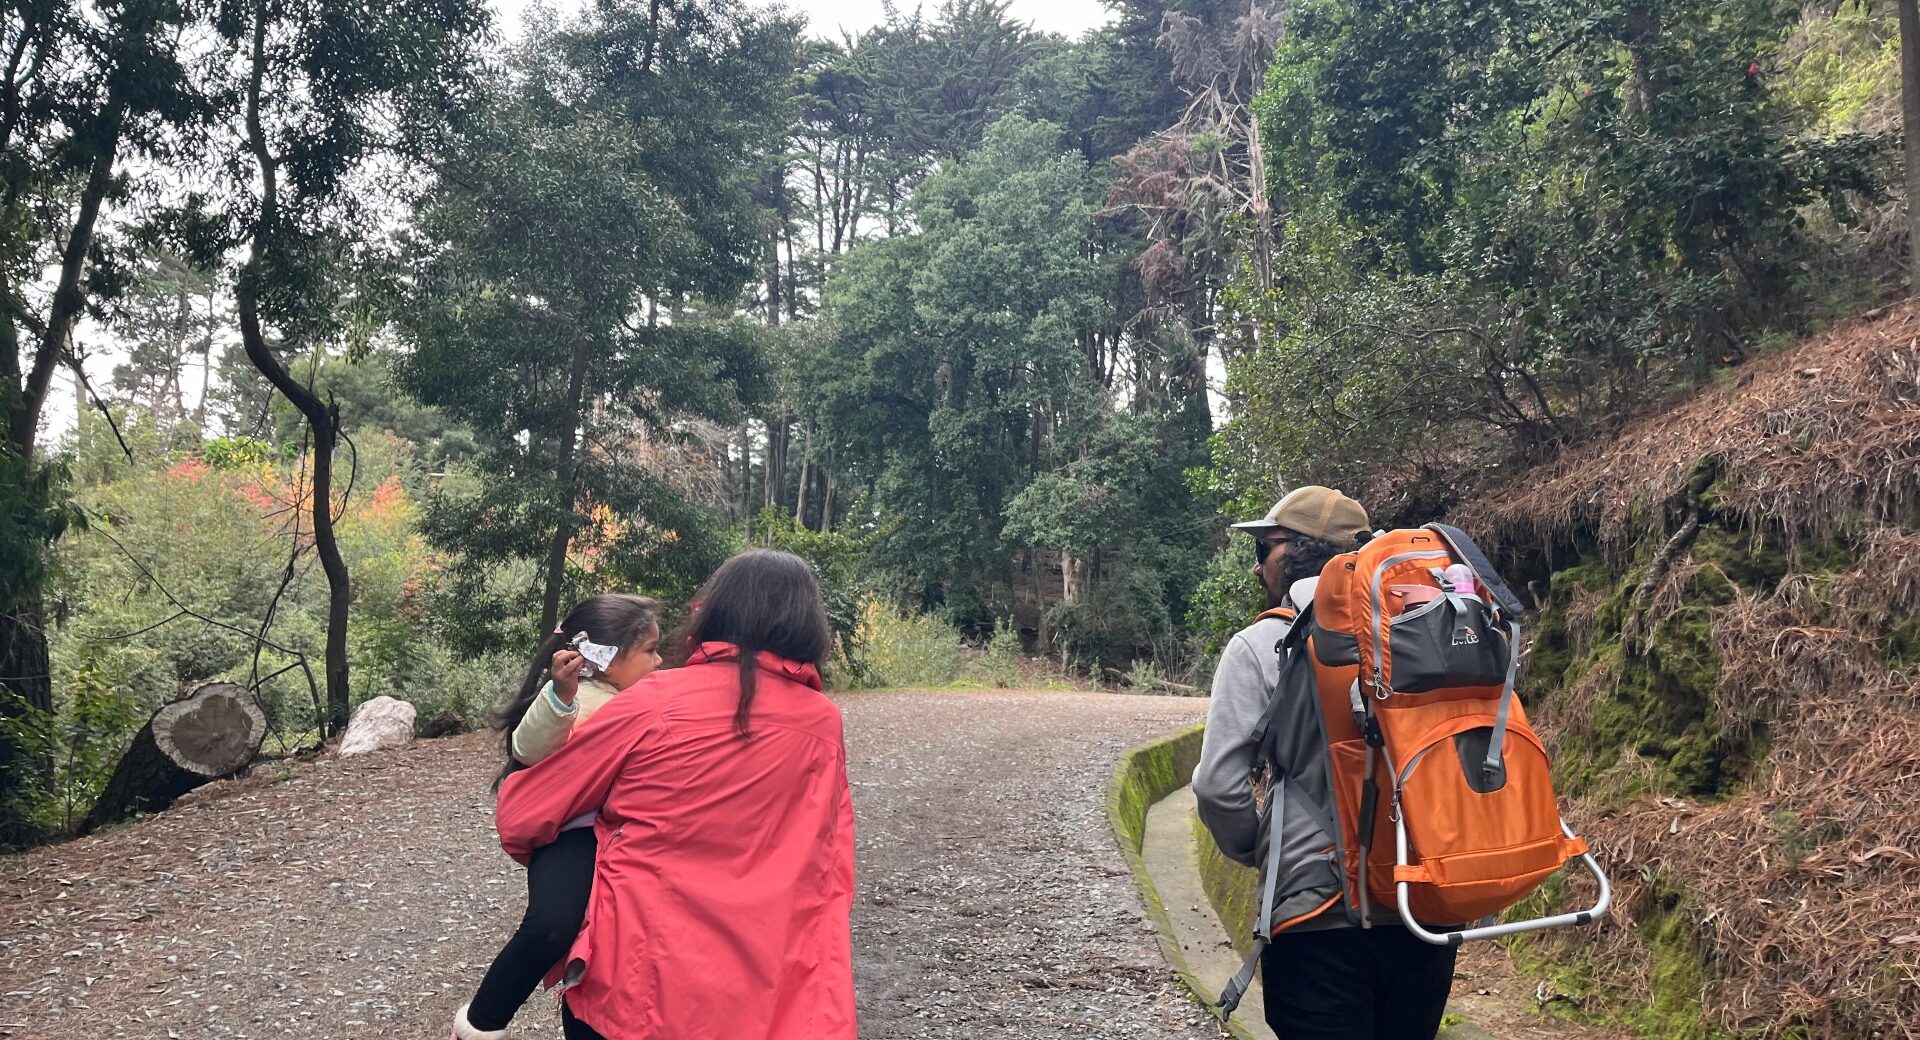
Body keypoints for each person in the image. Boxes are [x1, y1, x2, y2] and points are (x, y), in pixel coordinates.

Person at [493, 549, 856, 1040]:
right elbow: (828, 868)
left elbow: (526, 810)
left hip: (635, 985)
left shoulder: (656, 700)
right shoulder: (822, 724)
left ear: (716, 612)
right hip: (766, 995)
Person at [1193, 486, 1458, 1040]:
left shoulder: (1261, 643)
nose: (1257, 565)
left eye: (1262, 548)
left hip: (1317, 908)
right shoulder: (1428, 633)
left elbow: (1219, 787)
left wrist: (1258, 848)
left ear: (1290, 552)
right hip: (1425, 899)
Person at [454, 594, 664, 1040]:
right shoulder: (577, 699)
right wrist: (560, 696)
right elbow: (526, 749)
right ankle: (481, 1022)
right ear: (607, 659)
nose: (659, 660)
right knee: (552, 925)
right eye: (648, 650)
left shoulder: (641, 700)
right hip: (573, 832)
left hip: (623, 833)